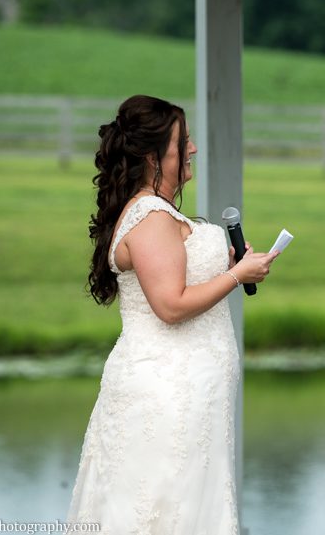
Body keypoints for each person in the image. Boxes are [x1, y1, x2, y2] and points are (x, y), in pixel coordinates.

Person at [66, 94, 277, 533]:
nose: (193, 148)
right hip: (166, 396)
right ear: (152, 157)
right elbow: (170, 305)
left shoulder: (159, 212)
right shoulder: (149, 216)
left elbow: (179, 277)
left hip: (191, 396)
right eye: (183, 142)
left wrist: (227, 265)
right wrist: (236, 275)